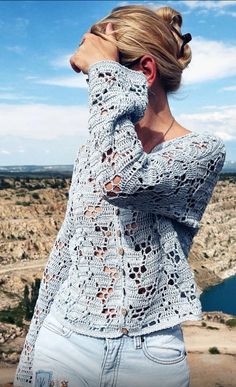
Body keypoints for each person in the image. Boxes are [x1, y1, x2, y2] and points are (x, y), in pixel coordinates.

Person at [14, 4, 226, 387]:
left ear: (144, 72)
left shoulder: (203, 151)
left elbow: (124, 181)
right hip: (62, 341)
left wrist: (104, 73)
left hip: (147, 356)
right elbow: (66, 250)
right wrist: (30, 358)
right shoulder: (94, 149)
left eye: (101, 77)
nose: (93, 91)